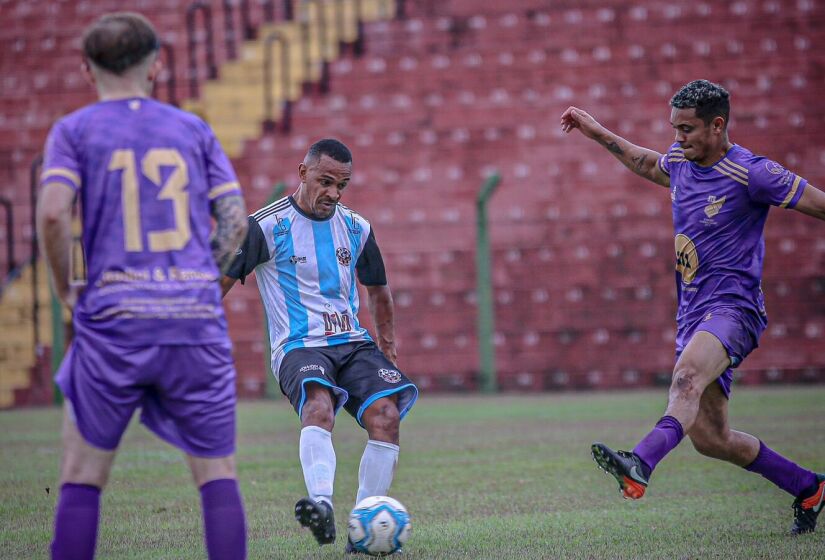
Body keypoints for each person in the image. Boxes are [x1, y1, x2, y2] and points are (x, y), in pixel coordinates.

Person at [560, 79, 825, 534]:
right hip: (692, 314)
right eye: (674, 128)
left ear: (717, 125)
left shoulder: (753, 172)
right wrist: (595, 130)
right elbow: (646, 162)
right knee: (710, 439)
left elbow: (820, 203)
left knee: (684, 379)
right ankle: (808, 486)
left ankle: (639, 462)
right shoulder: (681, 161)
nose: (678, 138)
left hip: (734, 308)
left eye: (687, 129)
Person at [37, 13, 249, 559]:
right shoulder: (192, 129)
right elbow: (235, 221)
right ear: (157, 64)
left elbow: (54, 215)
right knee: (217, 473)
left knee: (82, 474)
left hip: (115, 318)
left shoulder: (74, 130)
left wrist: (68, 287)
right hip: (192, 318)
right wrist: (201, 280)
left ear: (87, 69)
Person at [222, 138, 418, 552]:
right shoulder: (265, 227)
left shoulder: (356, 228)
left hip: (351, 342)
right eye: (325, 181)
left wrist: (387, 347)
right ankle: (322, 505)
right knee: (318, 406)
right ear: (302, 173)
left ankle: (363, 531)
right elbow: (216, 286)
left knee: (386, 415)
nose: (333, 192)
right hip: (299, 345)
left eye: (341, 184)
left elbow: (379, 292)